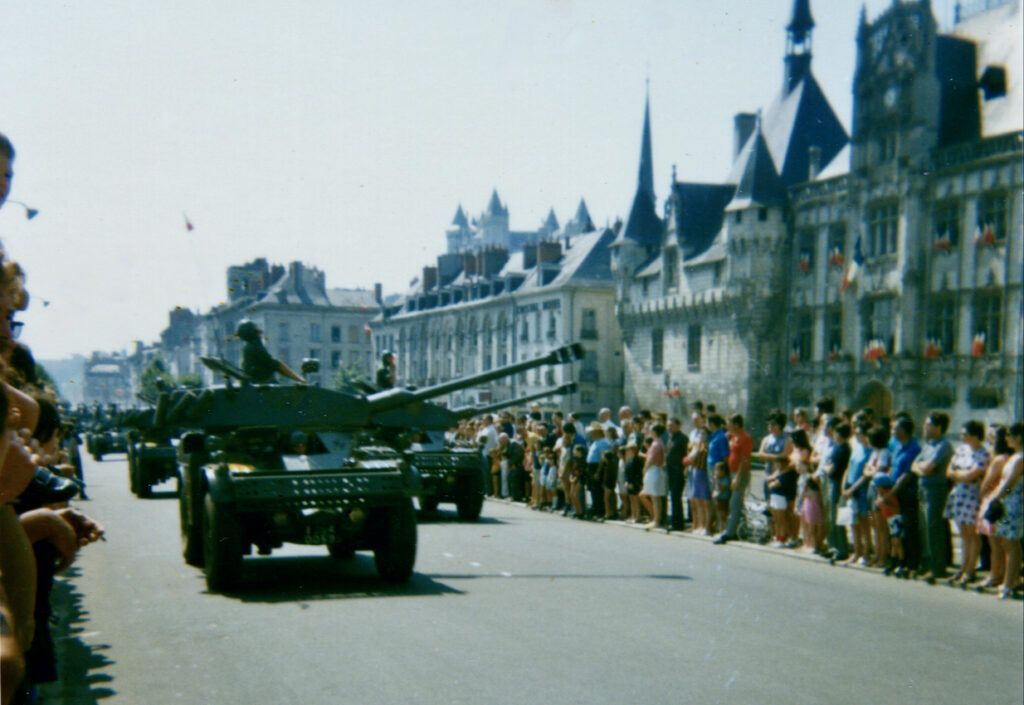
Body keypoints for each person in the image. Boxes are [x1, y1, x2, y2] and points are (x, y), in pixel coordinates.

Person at [944, 420, 989, 586]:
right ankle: (963, 568)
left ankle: (970, 570)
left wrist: (959, 474)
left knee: (972, 535)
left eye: (965, 434)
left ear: (975, 435)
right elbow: (949, 471)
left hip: (972, 496)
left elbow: (971, 475)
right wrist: (961, 474)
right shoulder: (961, 450)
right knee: (963, 533)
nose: (962, 436)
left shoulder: (983, 454)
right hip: (958, 494)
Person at [982, 422, 1023, 599]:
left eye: (1010, 435)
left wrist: (997, 497)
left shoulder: (1020, 458)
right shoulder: (1015, 457)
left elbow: (1010, 482)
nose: (1006, 439)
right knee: (1007, 542)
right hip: (1006, 502)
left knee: (1011, 543)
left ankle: (1008, 583)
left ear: (1019, 437)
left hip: (1013, 504)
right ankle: (1011, 580)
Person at [912, 412, 954, 583]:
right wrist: (923, 468)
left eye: (928, 424)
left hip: (936, 490)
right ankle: (927, 562)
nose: (925, 427)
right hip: (922, 488)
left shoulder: (944, 446)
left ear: (938, 427)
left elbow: (929, 467)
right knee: (924, 526)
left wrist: (923, 468)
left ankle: (938, 567)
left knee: (933, 527)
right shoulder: (928, 445)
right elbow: (914, 465)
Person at [716, 413, 752, 544]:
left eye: (729, 423)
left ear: (736, 425)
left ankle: (729, 533)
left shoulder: (745, 438)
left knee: (734, 502)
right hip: (732, 472)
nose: (727, 425)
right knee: (737, 503)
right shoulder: (732, 436)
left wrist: (737, 477)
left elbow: (745, 460)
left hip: (740, 474)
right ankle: (741, 530)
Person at [235, 319, 306, 384]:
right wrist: (300, 379)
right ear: (254, 333)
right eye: (257, 331)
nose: (260, 334)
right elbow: (275, 365)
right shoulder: (254, 347)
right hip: (263, 387)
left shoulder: (247, 348)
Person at [640, 424, 666, 530]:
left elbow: (650, 459)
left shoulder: (656, 444)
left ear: (654, 432)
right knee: (654, 496)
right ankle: (656, 519)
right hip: (655, 470)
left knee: (655, 497)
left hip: (654, 469)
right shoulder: (658, 442)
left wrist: (644, 469)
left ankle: (656, 521)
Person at [665, 418, 688, 531]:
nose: (669, 427)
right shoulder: (671, 438)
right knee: (673, 497)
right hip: (670, 471)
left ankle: (678, 524)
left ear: (678, 426)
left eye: (672, 425)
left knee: (676, 496)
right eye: (668, 425)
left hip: (678, 470)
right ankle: (675, 521)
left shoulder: (682, 438)